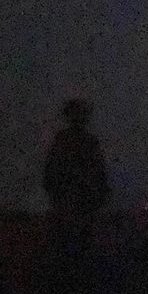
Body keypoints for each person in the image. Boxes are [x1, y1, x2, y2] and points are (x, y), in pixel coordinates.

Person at [43, 99, 109, 277]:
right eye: (75, 113)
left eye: (80, 113)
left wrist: (96, 191)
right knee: (66, 239)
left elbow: (99, 170)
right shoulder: (62, 140)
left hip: (83, 199)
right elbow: (52, 169)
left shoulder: (89, 141)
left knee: (83, 240)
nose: (78, 117)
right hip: (67, 197)